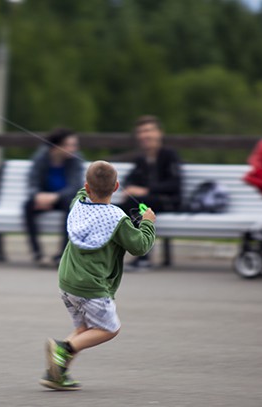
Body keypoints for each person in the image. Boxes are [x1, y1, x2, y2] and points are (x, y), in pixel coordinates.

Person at [40, 161, 156, 391]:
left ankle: (57, 374)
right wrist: (148, 224)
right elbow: (140, 246)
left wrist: (92, 182)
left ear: (86, 186)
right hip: (90, 287)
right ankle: (63, 349)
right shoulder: (117, 219)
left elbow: (83, 191)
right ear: (117, 187)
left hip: (67, 282)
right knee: (109, 328)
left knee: (84, 330)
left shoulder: (78, 205)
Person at [118, 115, 182, 269]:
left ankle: (142, 257)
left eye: (149, 131)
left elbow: (175, 184)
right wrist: (128, 188)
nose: (145, 135)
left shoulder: (169, 155)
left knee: (138, 205)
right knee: (123, 206)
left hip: (169, 202)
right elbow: (130, 179)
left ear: (159, 133)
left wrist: (145, 190)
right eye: (141, 132)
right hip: (146, 203)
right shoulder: (141, 159)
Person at [23, 128, 84, 267]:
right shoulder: (41, 157)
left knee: (71, 207)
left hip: (63, 199)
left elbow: (75, 186)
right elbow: (33, 181)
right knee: (28, 206)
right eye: (70, 145)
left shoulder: (75, 159)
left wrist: (55, 197)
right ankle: (37, 253)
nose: (74, 148)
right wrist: (37, 195)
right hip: (42, 199)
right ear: (57, 146)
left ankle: (62, 254)